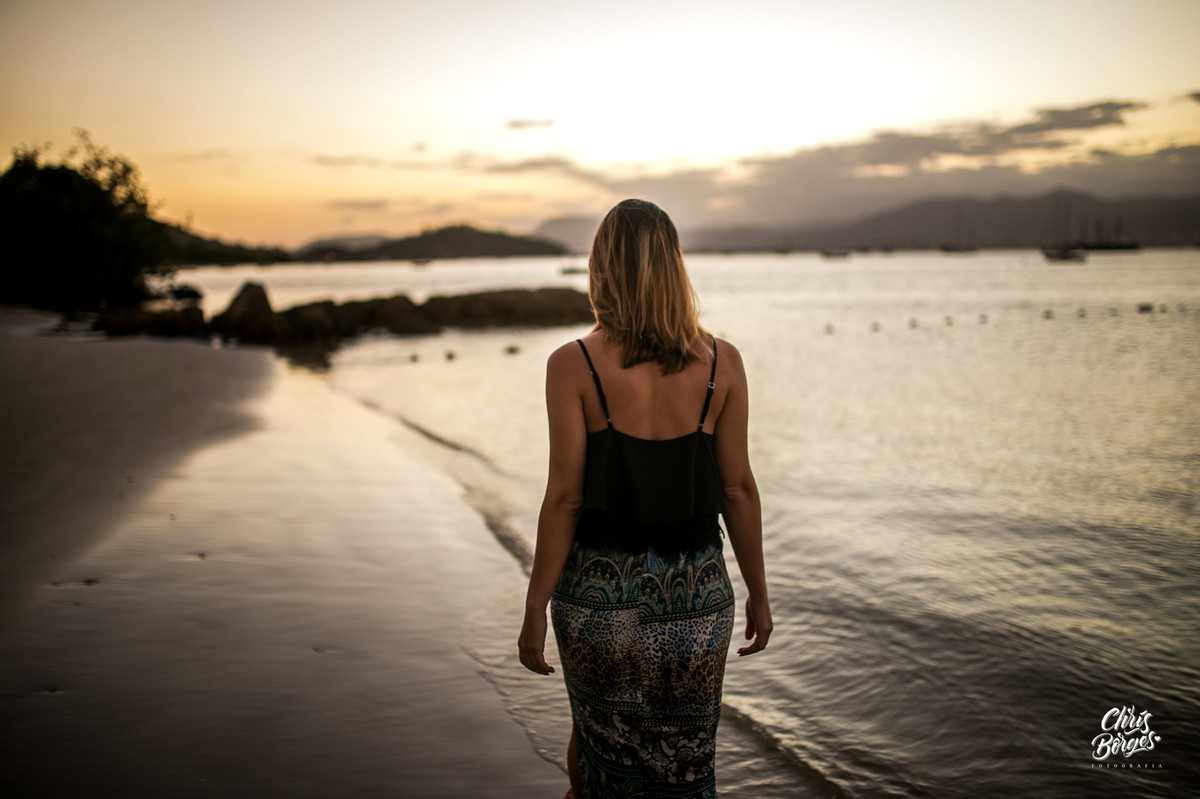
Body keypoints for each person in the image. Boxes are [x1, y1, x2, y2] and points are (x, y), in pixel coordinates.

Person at [518, 198, 772, 799]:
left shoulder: (572, 364)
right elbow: (737, 488)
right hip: (695, 595)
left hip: (598, 595)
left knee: (602, 759)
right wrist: (759, 592)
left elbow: (564, 499)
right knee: (684, 771)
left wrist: (534, 607)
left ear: (602, 268)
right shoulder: (722, 364)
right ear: (673, 267)